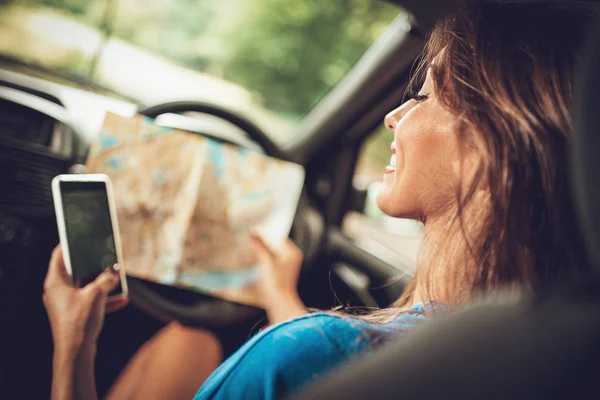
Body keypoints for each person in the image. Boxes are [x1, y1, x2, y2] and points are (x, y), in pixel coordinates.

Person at [42, 2, 595, 399]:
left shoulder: (302, 353)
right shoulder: (550, 359)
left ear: (488, 147)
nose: (393, 116)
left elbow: (317, 356)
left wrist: (73, 342)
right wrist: (279, 294)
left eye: (424, 95)